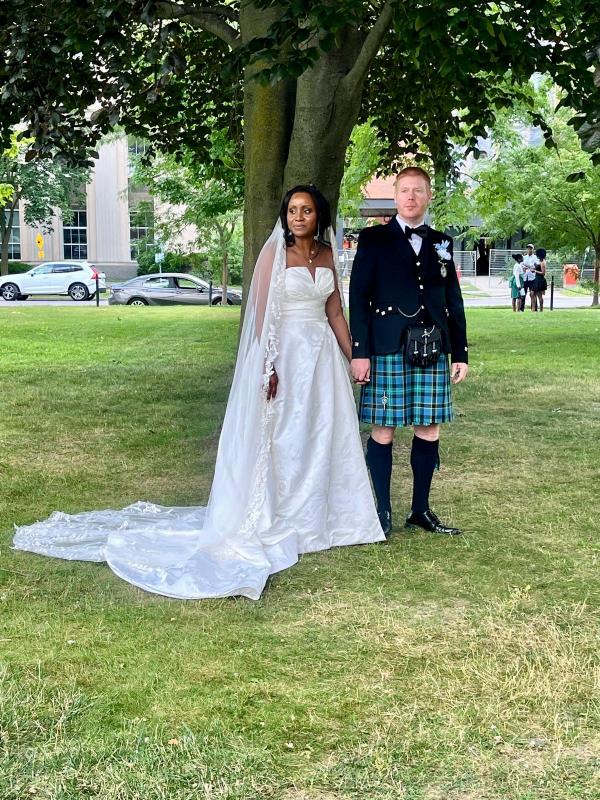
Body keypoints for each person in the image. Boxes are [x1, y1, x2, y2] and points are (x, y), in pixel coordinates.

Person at [13, 185, 385, 600]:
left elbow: (334, 312)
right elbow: (261, 315)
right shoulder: (274, 255)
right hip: (285, 354)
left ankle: (321, 516)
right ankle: (281, 515)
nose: (298, 217)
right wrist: (268, 365)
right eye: (292, 210)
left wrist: (355, 356)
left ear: (319, 216)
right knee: (284, 436)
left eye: (307, 210)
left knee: (321, 432)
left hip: (322, 358)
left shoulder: (329, 255)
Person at [349, 166, 468, 537]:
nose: (411, 197)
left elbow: (453, 299)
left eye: (418, 190)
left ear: (429, 196)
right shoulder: (373, 239)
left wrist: (460, 352)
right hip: (386, 346)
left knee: (429, 426)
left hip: (432, 345)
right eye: (405, 190)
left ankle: (420, 510)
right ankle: (382, 511)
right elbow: (358, 297)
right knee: (383, 428)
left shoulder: (442, 242)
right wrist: (359, 352)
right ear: (395, 196)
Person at [522, 244, 538, 311]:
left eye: (530, 248)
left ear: (533, 249)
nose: (529, 250)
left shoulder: (535, 257)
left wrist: (533, 267)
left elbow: (537, 266)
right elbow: (522, 265)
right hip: (525, 277)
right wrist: (524, 267)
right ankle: (521, 309)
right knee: (523, 293)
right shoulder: (524, 257)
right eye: (528, 248)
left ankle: (534, 308)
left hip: (532, 278)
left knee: (533, 294)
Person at [532, 247, 548, 311]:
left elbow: (543, 273)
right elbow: (539, 268)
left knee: (539, 295)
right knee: (532, 293)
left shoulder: (542, 262)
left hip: (540, 280)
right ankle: (534, 309)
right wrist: (535, 267)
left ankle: (541, 309)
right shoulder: (540, 261)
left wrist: (535, 271)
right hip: (537, 279)